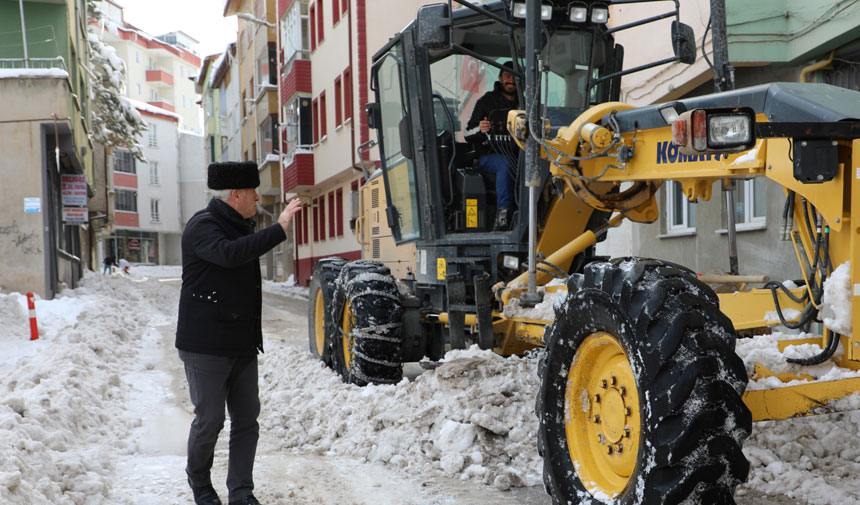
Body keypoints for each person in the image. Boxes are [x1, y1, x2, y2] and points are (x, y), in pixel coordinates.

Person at [175, 161, 302, 505]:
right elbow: (230, 256)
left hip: (241, 344)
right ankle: (200, 485)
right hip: (206, 345)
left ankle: (241, 492)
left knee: (247, 420)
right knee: (210, 420)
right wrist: (279, 228)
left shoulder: (240, 225)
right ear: (236, 195)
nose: (257, 198)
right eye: (253, 192)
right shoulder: (203, 226)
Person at [464, 60, 520, 231]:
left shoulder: (526, 102)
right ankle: (504, 213)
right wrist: (481, 130)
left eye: (514, 77)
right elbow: (467, 133)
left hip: (521, 155)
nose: (511, 80)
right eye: (507, 76)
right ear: (500, 77)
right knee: (505, 163)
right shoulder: (486, 102)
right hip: (488, 158)